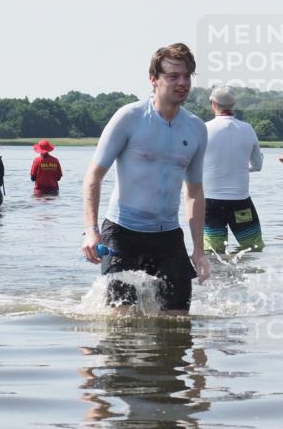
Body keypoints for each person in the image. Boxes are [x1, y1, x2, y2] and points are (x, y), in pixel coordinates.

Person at [81, 42, 210, 315]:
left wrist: (199, 249)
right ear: (154, 80)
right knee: (122, 323)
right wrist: (91, 230)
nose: (182, 82)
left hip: (167, 236)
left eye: (187, 76)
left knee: (178, 322)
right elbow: (94, 175)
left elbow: (195, 191)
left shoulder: (197, 128)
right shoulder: (129, 117)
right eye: (173, 76)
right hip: (122, 232)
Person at [202, 85, 264, 253]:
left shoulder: (203, 129)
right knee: (253, 249)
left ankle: (217, 280)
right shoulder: (248, 129)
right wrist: (241, 168)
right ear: (233, 104)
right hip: (240, 202)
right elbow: (258, 165)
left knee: (213, 254)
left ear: (212, 103)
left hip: (210, 202)